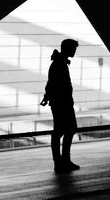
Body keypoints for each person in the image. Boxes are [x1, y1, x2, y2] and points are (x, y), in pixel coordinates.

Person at [41, 39, 80, 173]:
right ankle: (61, 161)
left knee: (64, 130)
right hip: (62, 103)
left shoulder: (59, 62)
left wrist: (47, 97)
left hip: (62, 103)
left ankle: (61, 161)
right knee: (64, 131)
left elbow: (50, 83)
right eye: (73, 49)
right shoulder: (59, 64)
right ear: (68, 49)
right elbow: (54, 83)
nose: (75, 51)